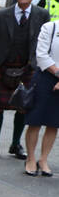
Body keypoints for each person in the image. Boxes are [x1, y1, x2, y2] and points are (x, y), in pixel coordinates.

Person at [0, 0, 44, 159]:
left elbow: (43, 42)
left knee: (23, 107)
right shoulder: (0, 15)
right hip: (1, 67)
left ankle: (16, 145)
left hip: (27, 68)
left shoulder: (42, 15)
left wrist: (33, 62)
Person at [22, 12, 59, 177]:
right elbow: (41, 55)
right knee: (35, 121)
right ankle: (30, 158)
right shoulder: (50, 27)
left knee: (54, 123)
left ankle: (43, 160)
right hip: (45, 77)